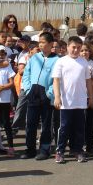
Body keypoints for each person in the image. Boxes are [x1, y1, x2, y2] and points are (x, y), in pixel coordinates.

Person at [52, 36, 93, 164]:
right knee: (64, 127)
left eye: (78, 48)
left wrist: (91, 97)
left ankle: (78, 150)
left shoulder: (84, 62)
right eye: (73, 47)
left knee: (79, 128)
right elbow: (56, 80)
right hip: (66, 101)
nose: (76, 50)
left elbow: (88, 82)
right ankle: (60, 151)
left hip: (80, 101)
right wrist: (57, 97)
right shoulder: (61, 61)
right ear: (67, 47)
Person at [21, 32, 58, 160]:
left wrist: (49, 93)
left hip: (46, 97)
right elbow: (26, 74)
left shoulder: (57, 60)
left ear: (51, 44)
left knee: (47, 124)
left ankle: (44, 149)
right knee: (30, 123)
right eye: (39, 42)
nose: (40, 45)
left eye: (43, 42)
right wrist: (27, 89)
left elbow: (57, 80)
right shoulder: (34, 58)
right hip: (33, 94)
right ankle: (30, 149)